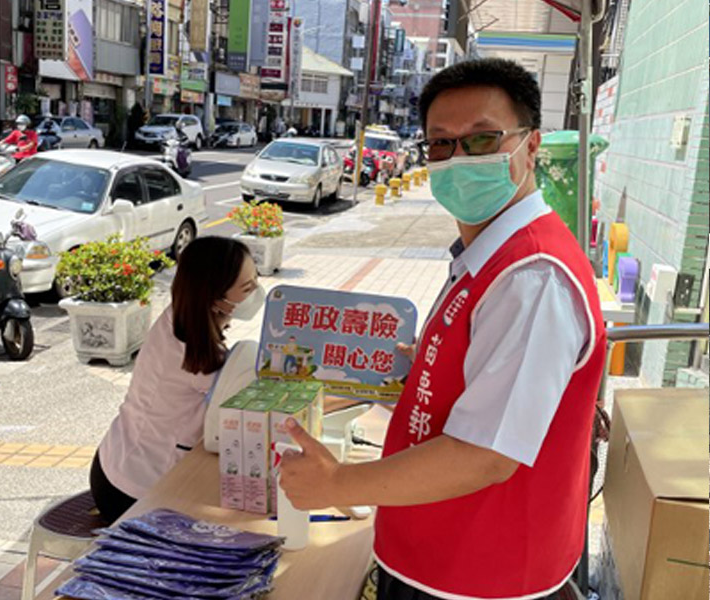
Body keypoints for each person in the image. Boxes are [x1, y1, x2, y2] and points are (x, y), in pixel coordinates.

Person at [279, 57, 606, 600]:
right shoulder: (490, 254)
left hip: (480, 577)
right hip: (436, 550)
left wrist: (336, 484)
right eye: (440, 144)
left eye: (482, 140)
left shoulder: (533, 277)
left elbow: (485, 455)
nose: (458, 160)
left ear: (531, 146)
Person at [90, 237, 266, 523]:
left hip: (117, 459)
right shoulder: (196, 358)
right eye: (247, 288)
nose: (256, 291)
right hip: (131, 491)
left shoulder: (183, 317)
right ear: (214, 298)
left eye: (255, 279)